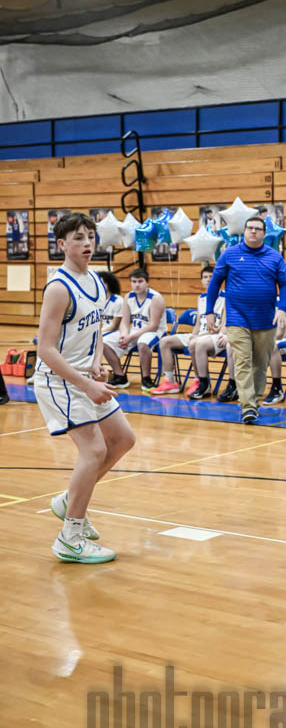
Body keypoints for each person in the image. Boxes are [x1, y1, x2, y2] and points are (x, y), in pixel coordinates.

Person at [33, 212, 136, 563]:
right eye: (78, 237)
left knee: (123, 439)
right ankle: (70, 537)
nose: (87, 243)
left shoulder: (96, 280)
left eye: (90, 236)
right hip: (58, 380)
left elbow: (95, 330)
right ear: (62, 244)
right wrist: (86, 384)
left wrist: (95, 363)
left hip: (84, 376)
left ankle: (68, 501)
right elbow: (45, 349)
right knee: (93, 450)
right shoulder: (58, 288)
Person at [206, 216, 286, 424]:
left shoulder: (274, 257)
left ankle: (254, 399)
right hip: (237, 318)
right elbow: (215, 284)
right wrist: (209, 311)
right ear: (244, 231)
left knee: (260, 364)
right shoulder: (229, 254)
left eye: (257, 229)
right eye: (249, 228)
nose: (253, 231)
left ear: (264, 234)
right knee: (242, 361)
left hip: (266, 320)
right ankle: (248, 407)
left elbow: (285, 285)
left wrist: (281, 308)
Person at [151, 265, 228, 400]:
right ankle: (170, 382)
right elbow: (198, 323)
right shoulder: (201, 297)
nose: (208, 279)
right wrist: (193, 334)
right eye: (205, 277)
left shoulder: (226, 297)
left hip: (214, 336)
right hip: (200, 334)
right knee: (164, 341)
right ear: (201, 280)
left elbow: (225, 322)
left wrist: (219, 331)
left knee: (194, 343)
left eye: (211, 277)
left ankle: (199, 381)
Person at [102, 267, 167, 391]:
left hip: (155, 332)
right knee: (104, 341)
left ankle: (146, 379)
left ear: (147, 282)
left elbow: (153, 325)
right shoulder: (128, 297)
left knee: (143, 343)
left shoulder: (156, 298)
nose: (137, 285)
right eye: (134, 281)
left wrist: (130, 337)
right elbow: (125, 322)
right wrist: (123, 334)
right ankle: (120, 376)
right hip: (135, 331)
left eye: (140, 281)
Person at [100, 271, 123, 336]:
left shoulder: (118, 301)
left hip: (114, 334)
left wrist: (98, 334)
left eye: (102, 283)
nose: (99, 286)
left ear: (109, 284)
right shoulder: (97, 301)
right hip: (101, 333)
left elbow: (114, 327)